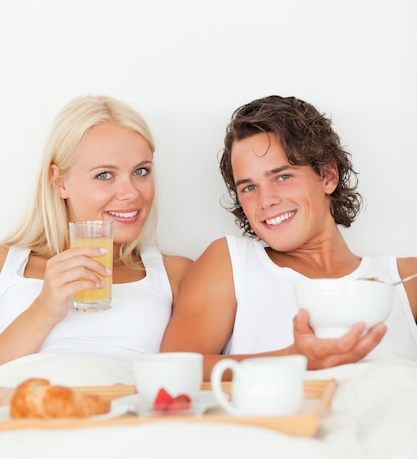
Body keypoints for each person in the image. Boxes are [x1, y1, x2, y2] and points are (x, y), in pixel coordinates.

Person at [161, 95, 417, 380]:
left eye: (282, 176)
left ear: (328, 176)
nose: (266, 200)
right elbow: (171, 371)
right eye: (248, 187)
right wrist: (295, 359)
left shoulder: (407, 279)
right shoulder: (232, 262)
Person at [0, 95, 192, 368]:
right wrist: (43, 310)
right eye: (104, 175)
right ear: (60, 181)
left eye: (141, 171)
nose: (130, 193)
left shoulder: (176, 275)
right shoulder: (6, 265)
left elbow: (191, 377)